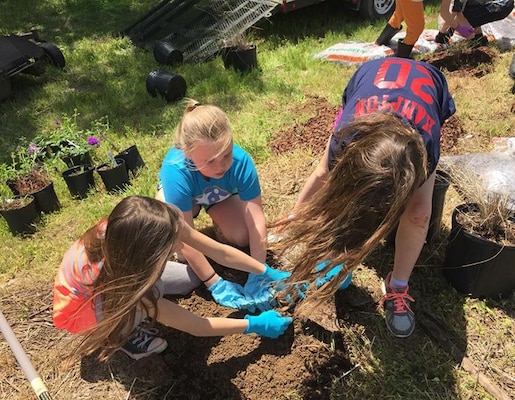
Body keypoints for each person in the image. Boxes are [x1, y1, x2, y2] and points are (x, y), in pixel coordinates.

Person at [272, 57, 456, 339]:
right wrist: (294, 221)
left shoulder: (425, 149)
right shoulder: (345, 138)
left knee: (417, 213)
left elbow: (419, 214)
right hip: (371, 76)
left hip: (425, 87)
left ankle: (397, 287)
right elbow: (322, 174)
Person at [53, 196, 292, 361]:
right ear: (151, 257)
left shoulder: (146, 223)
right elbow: (196, 326)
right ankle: (123, 335)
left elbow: (219, 252)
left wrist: (265, 271)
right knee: (150, 296)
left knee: (190, 279)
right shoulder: (128, 285)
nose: (181, 246)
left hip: (123, 271)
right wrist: (255, 325)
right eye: (173, 247)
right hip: (86, 309)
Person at [157, 99, 269, 305]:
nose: (221, 166)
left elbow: (256, 220)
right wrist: (213, 281)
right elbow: (184, 235)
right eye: (210, 161)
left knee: (242, 236)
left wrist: (259, 270)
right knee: (178, 248)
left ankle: (217, 225)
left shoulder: (241, 161)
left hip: (219, 196)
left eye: (226, 155)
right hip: (186, 199)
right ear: (188, 153)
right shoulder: (175, 170)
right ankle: (195, 215)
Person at [436, 0, 514, 45]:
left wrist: (442, 36)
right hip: (505, 3)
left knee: (465, 14)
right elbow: (448, 13)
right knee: (467, 9)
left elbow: (455, 12)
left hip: (502, 4)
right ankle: (479, 39)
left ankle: (476, 40)